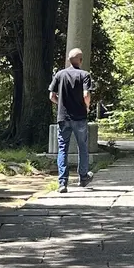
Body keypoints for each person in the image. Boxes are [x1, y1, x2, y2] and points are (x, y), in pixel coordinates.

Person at [48, 47, 92, 192]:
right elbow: (86, 95)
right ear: (81, 60)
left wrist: (61, 104)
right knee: (82, 147)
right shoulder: (85, 75)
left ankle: (62, 182)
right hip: (79, 117)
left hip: (63, 117)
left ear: (68, 59)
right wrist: (86, 107)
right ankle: (83, 176)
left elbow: (51, 96)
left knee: (63, 148)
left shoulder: (59, 75)